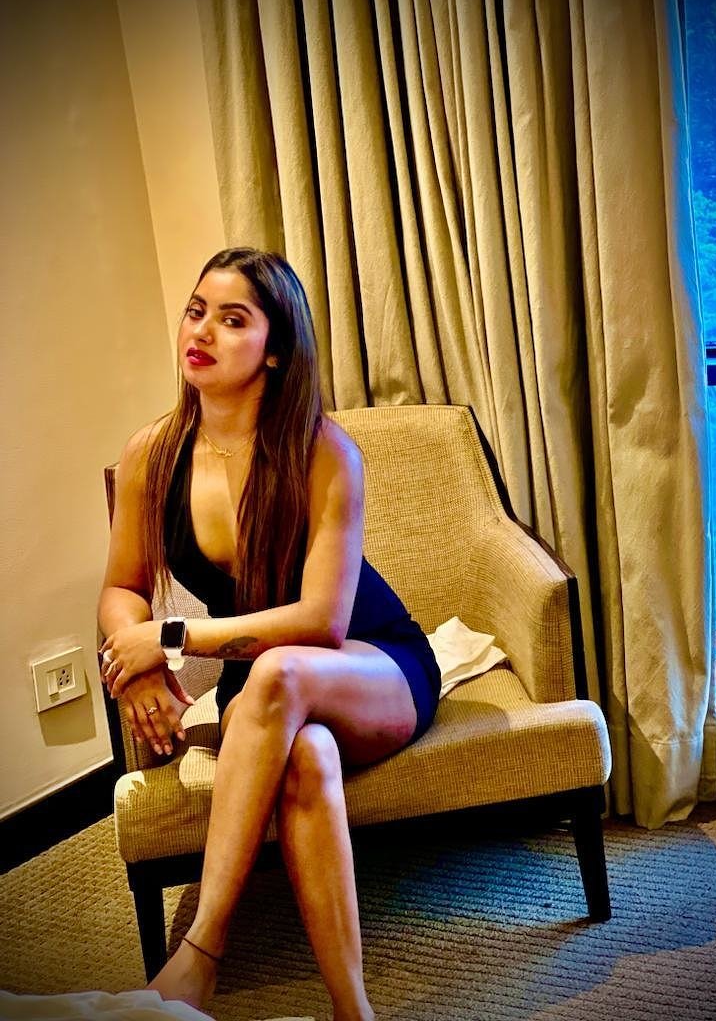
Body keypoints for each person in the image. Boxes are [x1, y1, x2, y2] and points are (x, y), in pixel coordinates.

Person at [97, 248, 441, 1020]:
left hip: (370, 665)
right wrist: (139, 666)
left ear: (276, 349)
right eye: (197, 311)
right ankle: (354, 1009)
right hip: (263, 689)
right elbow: (121, 588)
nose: (202, 332)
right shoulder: (153, 454)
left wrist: (172, 638)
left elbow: (322, 621)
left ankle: (203, 951)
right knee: (306, 752)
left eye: (232, 320)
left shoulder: (323, 452)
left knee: (282, 670)